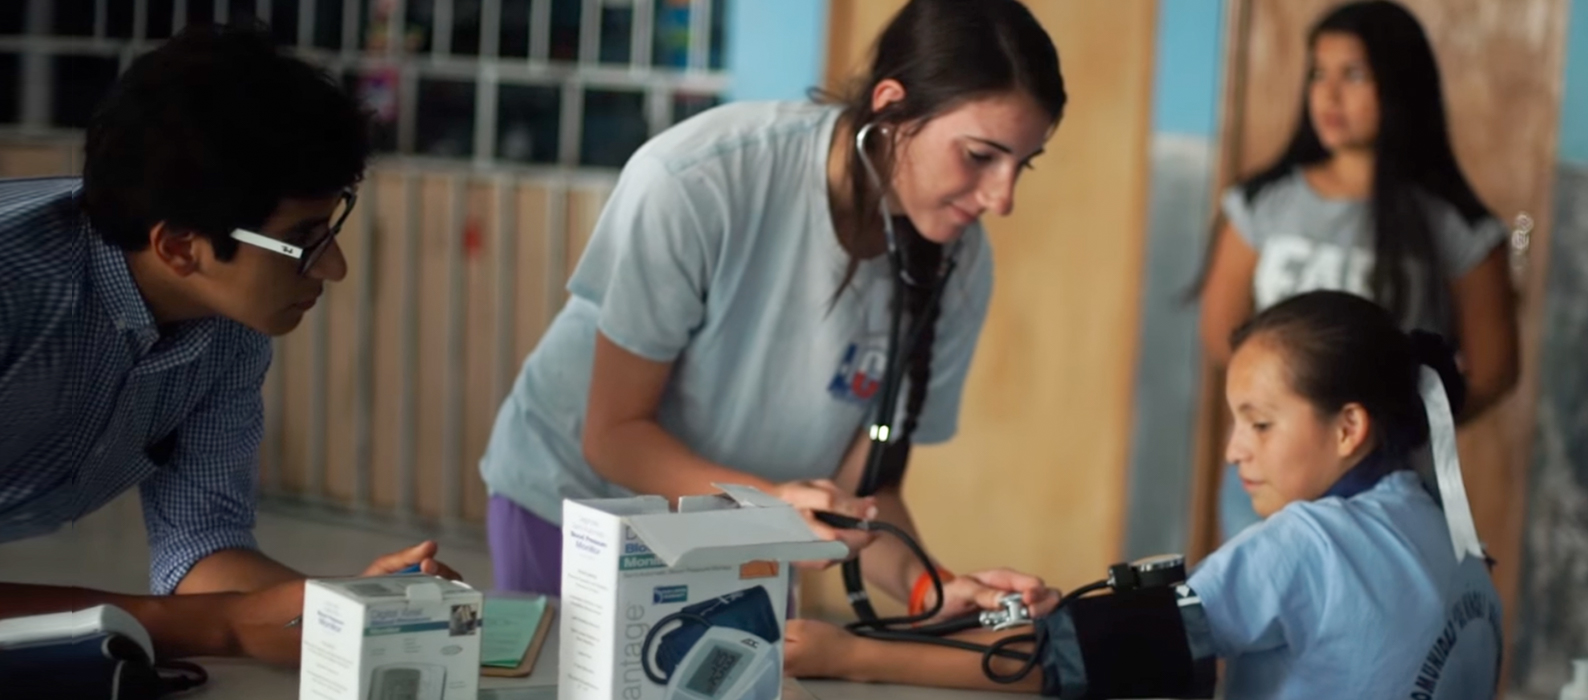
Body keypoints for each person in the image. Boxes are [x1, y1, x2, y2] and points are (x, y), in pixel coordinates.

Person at [478, 0, 1067, 622]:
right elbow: (613, 436)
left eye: (1020, 166)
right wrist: (768, 509)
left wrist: (932, 591)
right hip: (581, 509)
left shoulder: (956, 265)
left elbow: (865, 493)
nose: (1002, 199)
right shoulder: (701, 179)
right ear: (892, 107)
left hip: (752, 530)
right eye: (980, 156)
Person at [784, 291, 1503, 700]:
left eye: (1259, 423)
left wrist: (848, 656)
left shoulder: (1306, 545)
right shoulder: (1451, 538)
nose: (1233, 450)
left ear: (1348, 427)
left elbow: (1079, 660)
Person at [0, 23, 457, 666]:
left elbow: (201, 546)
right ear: (180, 246)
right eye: (302, 240)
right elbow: (219, 615)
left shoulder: (227, 328)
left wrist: (346, 608)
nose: (334, 268)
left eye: (330, 226)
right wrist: (223, 626)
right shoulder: (14, 288)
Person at [1196, 0, 1519, 539]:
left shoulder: (1453, 226)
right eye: (1319, 73)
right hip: (1268, 483)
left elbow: (1495, 368)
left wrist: (1400, 431)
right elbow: (1219, 334)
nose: (1329, 93)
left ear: (1400, 87)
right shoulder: (1263, 206)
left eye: (1354, 74)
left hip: (1389, 494)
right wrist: (1280, 428)